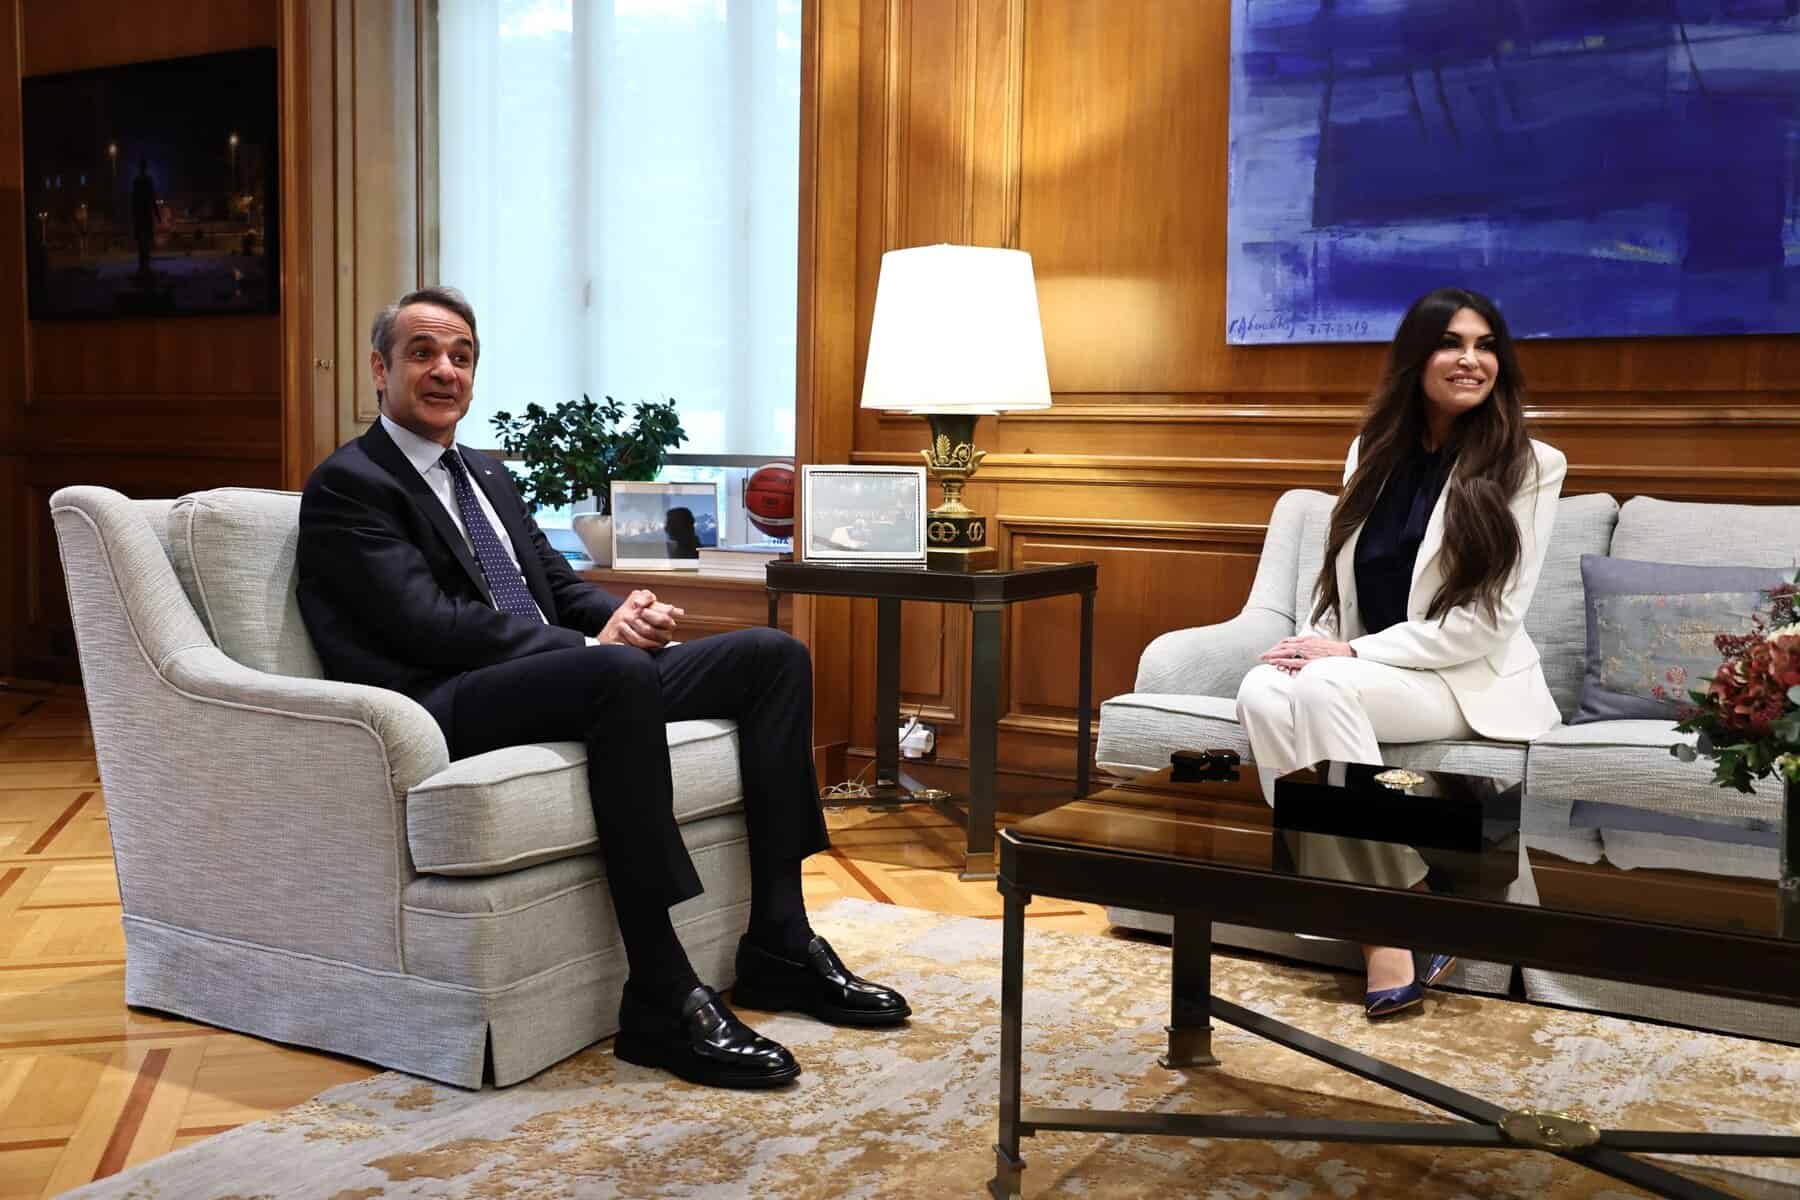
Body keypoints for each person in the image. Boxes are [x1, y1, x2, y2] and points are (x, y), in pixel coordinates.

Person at [296, 286, 909, 1090]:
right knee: (615, 671)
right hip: (445, 698)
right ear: (380, 370)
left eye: (461, 356)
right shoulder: (350, 483)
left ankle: (780, 941)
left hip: (555, 673)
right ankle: (660, 992)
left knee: (771, 657)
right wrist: (592, 644)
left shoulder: (485, 472)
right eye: (423, 353)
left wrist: (621, 614)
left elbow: (553, 581)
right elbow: (427, 625)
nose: (445, 370)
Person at [1235, 287, 1566, 1020]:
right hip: (1369, 666)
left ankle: (1385, 932)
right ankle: (1410, 900)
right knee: (1260, 691)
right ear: (1416, 357)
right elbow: (1344, 577)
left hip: (1462, 678)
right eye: (1452, 343)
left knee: (1325, 689)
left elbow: (1487, 622)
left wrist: (1344, 653)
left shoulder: (1531, 464)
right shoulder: (1371, 451)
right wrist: (1309, 642)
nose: (1471, 360)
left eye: (1486, 346)